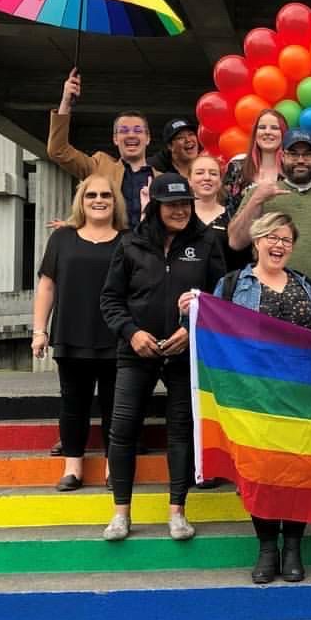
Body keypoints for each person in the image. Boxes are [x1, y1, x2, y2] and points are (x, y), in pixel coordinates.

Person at [183, 211, 311, 583]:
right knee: (260, 472)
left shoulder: (306, 285)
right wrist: (190, 311)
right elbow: (209, 329)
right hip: (254, 399)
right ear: (257, 241)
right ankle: (267, 547)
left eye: (286, 240)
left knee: (299, 471)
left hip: (303, 397)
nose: (279, 245)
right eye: (272, 237)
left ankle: (293, 546)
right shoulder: (233, 284)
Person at [100, 173, 226, 542]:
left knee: (181, 430)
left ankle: (177, 513)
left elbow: (220, 296)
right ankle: (121, 513)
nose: (180, 211)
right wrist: (131, 332)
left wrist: (191, 329)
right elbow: (110, 299)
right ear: (155, 207)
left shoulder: (207, 242)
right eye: (172, 205)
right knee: (123, 429)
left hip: (185, 351)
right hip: (136, 351)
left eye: (185, 203)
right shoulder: (130, 243)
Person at [32, 175, 127, 491]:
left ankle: (115, 467)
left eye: (106, 195)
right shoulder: (62, 238)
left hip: (117, 336)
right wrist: (39, 331)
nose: (99, 200)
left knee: (117, 406)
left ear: (115, 201)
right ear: (81, 201)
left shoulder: (130, 240)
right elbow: (47, 285)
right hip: (71, 334)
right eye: (91, 195)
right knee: (73, 404)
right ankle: (73, 467)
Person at [229, 129, 311, 303]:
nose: (300, 160)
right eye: (293, 154)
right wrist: (256, 200)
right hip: (266, 302)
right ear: (282, 156)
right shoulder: (261, 193)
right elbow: (236, 242)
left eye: (307, 154)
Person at [47, 67, 158, 228]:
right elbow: (58, 151)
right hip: (108, 243)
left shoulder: (162, 179)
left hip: (149, 244)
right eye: (124, 131)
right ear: (115, 139)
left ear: (148, 138)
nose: (131, 135)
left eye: (138, 130)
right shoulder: (99, 167)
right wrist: (66, 102)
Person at [227, 110, 287, 218]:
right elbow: (225, 208)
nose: (267, 132)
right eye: (262, 127)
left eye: (274, 128)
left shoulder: (292, 171)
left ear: (283, 133)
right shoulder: (236, 167)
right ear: (255, 133)